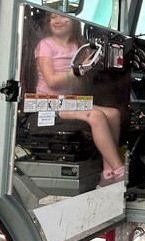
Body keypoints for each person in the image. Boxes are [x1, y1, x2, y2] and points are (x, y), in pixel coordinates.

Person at [34, 11, 125, 187]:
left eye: (62, 16)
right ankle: (120, 169)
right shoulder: (45, 45)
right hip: (47, 102)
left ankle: (108, 174)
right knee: (96, 116)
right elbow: (52, 81)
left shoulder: (78, 47)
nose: (57, 20)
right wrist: (77, 71)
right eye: (52, 17)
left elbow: (79, 81)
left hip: (69, 100)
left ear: (74, 22)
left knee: (113, 114)